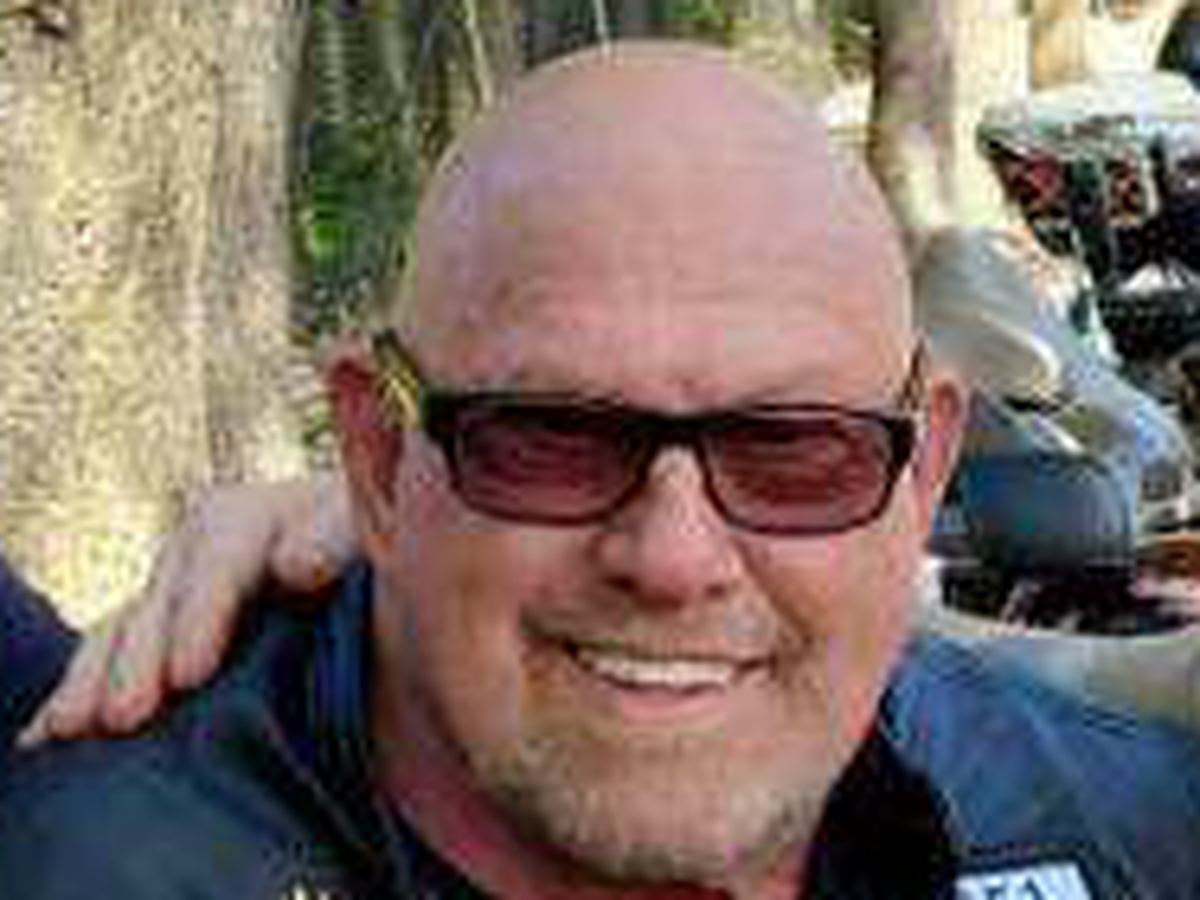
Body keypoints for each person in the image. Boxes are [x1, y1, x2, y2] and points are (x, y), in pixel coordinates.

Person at [5, 41, 1200, 899]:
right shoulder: (103, 863)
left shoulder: (1124, 827)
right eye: (550, 436)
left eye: (792, 450)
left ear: (926, 470)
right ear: (378, 458)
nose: (674, 559)